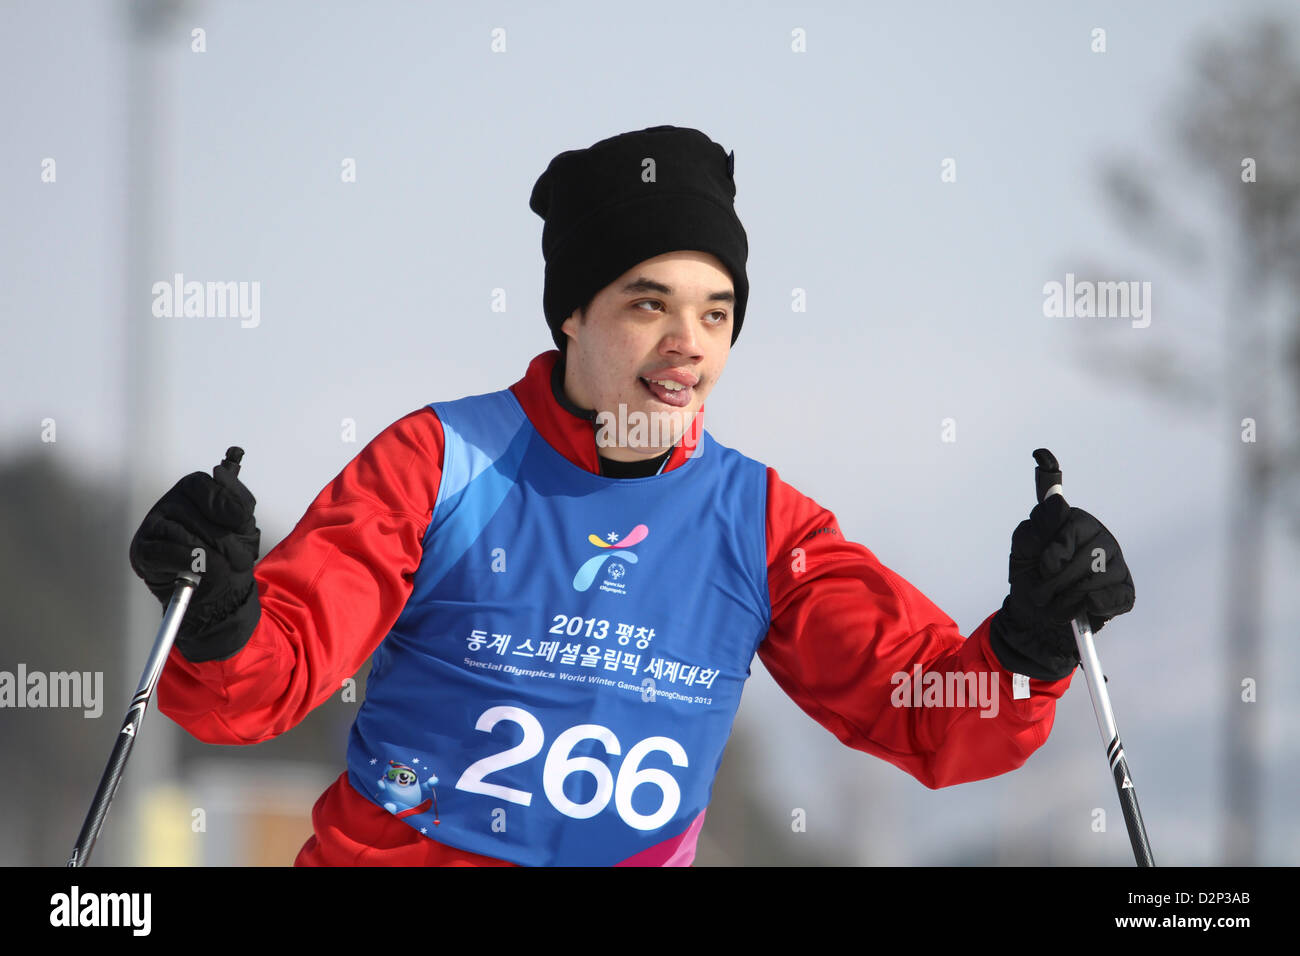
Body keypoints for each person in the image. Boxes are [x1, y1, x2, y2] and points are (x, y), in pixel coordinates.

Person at [129, 125, 1136, 866]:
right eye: (648, 302)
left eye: (716, 311)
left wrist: (1028, 646)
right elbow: (267, 674)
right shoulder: (442, 459)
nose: (688, 343)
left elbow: (921, 704)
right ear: (572, 311)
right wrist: (216, 611)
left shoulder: (756, 520)